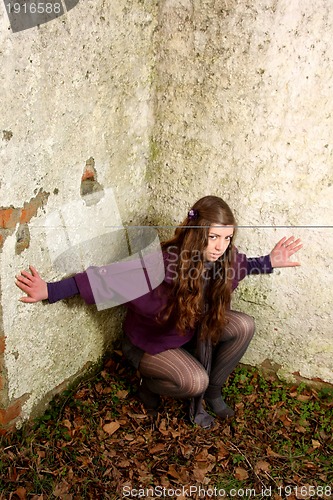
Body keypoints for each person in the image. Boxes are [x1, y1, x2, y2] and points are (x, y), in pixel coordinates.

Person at [15, 195, 302, 428]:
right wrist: (50, 291)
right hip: (149, 343)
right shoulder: (162, 265)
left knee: (244, 325)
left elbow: (244, 266)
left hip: (184, 331)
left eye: (227, 238)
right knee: (193, 381)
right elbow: (105, 278)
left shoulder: (223, 260)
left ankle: (214, 392)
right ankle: (149, 386)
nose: (220, 246)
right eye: (214, 237)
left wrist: (269, 261)